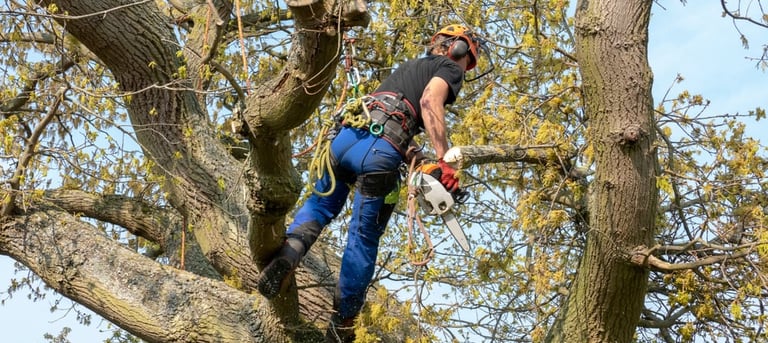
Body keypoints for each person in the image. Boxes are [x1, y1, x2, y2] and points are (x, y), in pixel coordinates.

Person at [256, 24, 481, 342]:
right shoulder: (447, 68)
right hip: (378, 152)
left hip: (345, 140)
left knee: (319, 205)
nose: (464, 70)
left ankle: (287, 256)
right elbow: (430, 102)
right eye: (466, 61)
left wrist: (410, 152)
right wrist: (443, 161)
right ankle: (343, 322)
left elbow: (393, 114)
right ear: (456, 50)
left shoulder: (408, 68)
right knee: (363, 236)